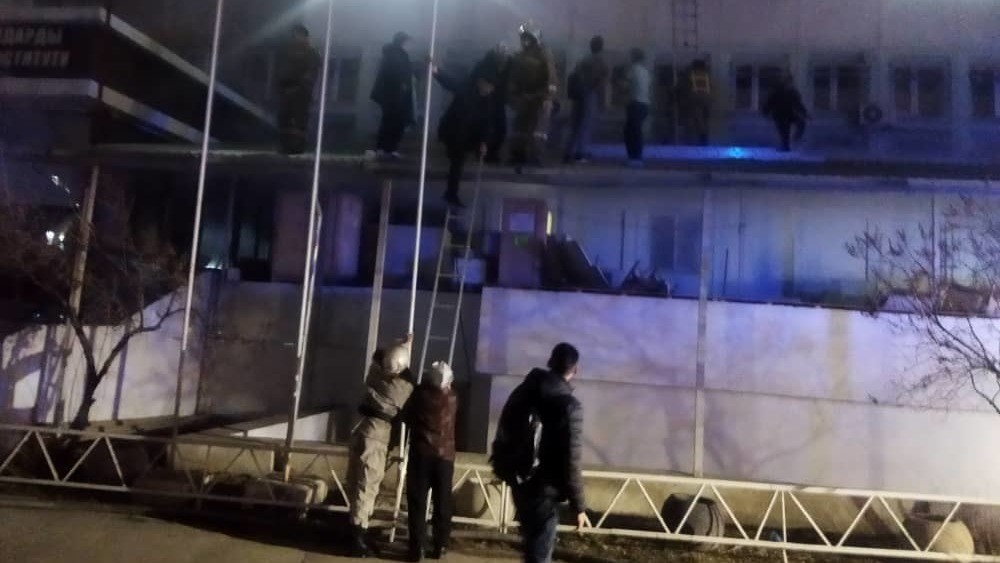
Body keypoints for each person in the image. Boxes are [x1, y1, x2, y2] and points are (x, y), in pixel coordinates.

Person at [493, 343, 586, 563]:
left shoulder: (524, 390)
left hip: (519, 479)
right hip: (545, 489)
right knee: (540, 551)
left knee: (531, 546)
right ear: (575, 369)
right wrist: (579, 505)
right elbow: (571, 459)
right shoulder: (569, 406)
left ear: (550, 362)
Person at [346, 334, 416, 557]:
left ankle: (357, 526)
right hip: (377, 435)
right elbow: (407, 377)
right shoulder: (400, 388)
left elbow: (378, 360)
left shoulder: (374, 378)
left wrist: (398, 345)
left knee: (355, 481)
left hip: (360, 429)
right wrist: (405, 349)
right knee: (367, 484)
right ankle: (358, 534)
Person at [403, 361, 458, 562]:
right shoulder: (453, 398)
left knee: (418, 502)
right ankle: (441, 545)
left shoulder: (420, 395)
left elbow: (406, 415)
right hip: (445, 457)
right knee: (443, 502)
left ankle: (417, 548)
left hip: (421, 454)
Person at [434, 60, 498, 209]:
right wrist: (436, 71)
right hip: (453, 130)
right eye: (488, 87)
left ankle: (451, 192)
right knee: (457, 159)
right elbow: (450, 83)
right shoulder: (466, 89)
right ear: (481, 82)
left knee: (461, 156)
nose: (489, 90)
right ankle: (451, 193)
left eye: (491, 88)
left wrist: (484, 142)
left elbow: (486, 122)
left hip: (469, 133)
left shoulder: (487, 100)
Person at [508, 22, 554, 173]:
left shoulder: (544, 55)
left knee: (538, 131)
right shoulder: (520, 55)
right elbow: (514, 78)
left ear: (535, 39)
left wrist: (547, 98)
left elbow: (551, 79)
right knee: (519, 129)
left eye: (527, 38)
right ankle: (517, 155)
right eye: (523, 38)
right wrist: (514, 95)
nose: (524, 41)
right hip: (523, 97)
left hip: (539, 98)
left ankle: (536, 156)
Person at [276, 24, 321, 155]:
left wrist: (299, 86)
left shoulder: (311, 52)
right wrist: (283, 86)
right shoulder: (288, 51)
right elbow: (282, 70)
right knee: (284, 118)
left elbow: (311, 72)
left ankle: (297, 147)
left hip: (301, 92)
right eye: (294, 35)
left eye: (298, 35)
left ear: (304, 36)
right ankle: (285, 146)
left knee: (299, 120)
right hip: (286, 90)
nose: (295, 38)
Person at [564, 36, 609, 164]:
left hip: (578, 95)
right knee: (586, 125)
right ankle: (580, 154)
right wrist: (601, 100)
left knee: (575, 124)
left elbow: (575, 75)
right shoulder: (601, 61)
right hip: (590, 94)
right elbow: (602, 81)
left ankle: (568, 152)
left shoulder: (583, 59)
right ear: (601, 47)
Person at [370, 32, 416, 158]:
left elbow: (405, 72)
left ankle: (389, 148)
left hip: (396, 96)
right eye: (408, 42)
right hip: (393, 96)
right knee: (391, 122)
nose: (411, 46)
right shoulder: (395, 54)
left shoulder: (398, 54)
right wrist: (402, 84)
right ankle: (384, 148)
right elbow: (395, 73)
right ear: (402, 42)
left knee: (395, 122)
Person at [480, 43, 511, 164]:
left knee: (501, 129)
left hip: (499, 101)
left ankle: (493, 152)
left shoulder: (508, 64)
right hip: (487, 100)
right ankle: (485, 153)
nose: (502, 57)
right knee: (487, 128)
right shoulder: (486, 64)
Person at [762, 73, 809, 152]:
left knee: (801, 123)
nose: (789, 83)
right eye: (787, 81)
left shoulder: (793, 92)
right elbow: (769, 102)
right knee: (784, 132)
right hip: (779, 115)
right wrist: (766, 112)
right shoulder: (777, 91)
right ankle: (785, 146)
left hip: (789, 113)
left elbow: (798, 104)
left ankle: (794, 139)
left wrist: (805, 113)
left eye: (790, 82)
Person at [623, 48, 651, 166]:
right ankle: (636, 157)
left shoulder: (633, 69)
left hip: (635, 103)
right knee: (636, 130)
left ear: (634, 57)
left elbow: (625, 86)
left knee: (631, 132)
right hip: (644, 104)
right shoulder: (645, 71)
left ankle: (634, 157)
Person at [682, 59, 712, 146]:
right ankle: (704, 137)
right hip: (707, 99)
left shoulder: (691, 74)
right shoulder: (707, 75)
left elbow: (684, 85)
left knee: (697, 119)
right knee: (705, 119)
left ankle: (699, 138)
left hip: (695, 98)